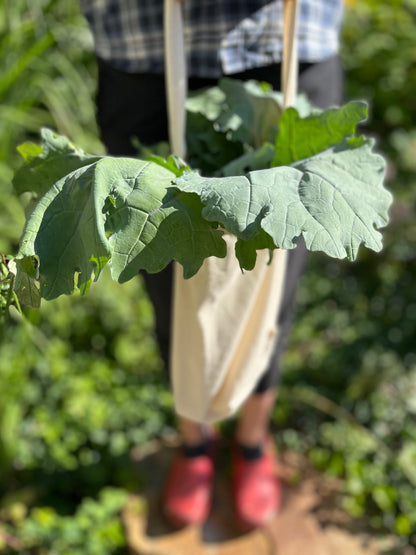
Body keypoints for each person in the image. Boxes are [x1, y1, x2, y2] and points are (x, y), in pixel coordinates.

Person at [80, 0, 344, 531]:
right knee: (166, 277)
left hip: (286, 38)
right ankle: (195, 439)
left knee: (273, 281)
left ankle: (251, 441)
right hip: (145, 45)